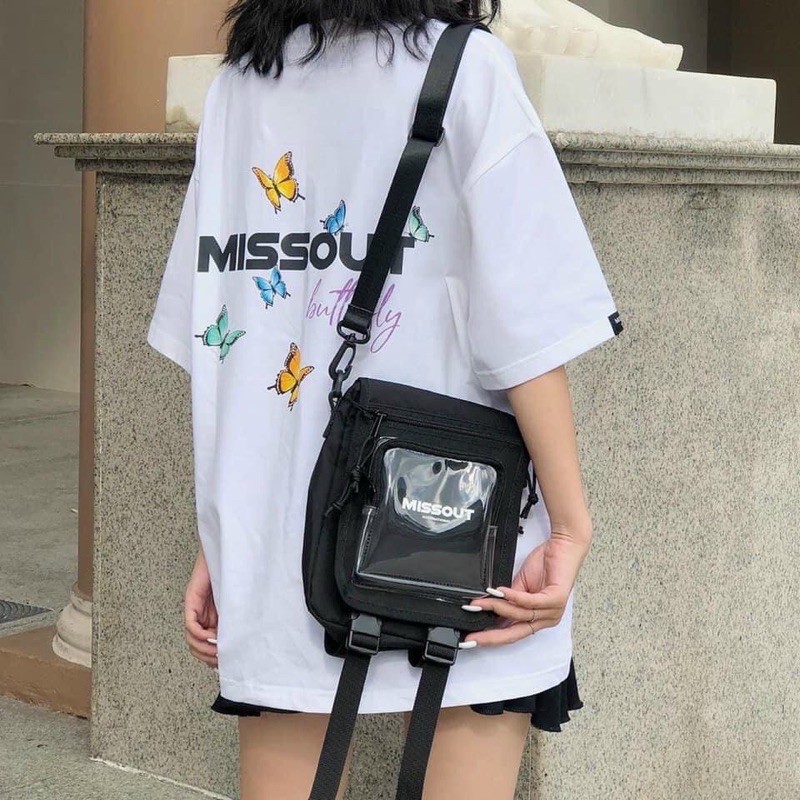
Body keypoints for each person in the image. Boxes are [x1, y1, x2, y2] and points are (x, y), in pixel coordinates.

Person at [146, 1, 622, 798]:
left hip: (280, 536)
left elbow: (226, 331)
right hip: (452, 526)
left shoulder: (242, 84)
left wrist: (227, 536)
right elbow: (528, 327)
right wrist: (571, 525)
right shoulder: (465, 68)